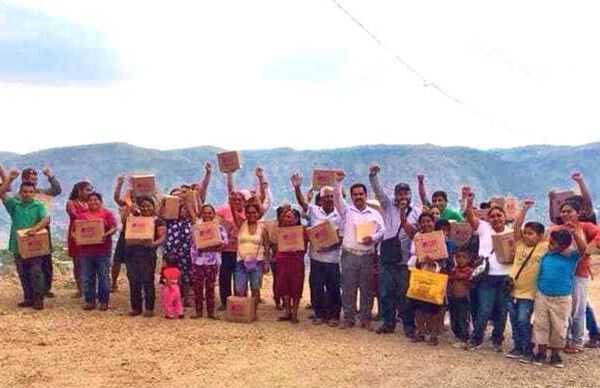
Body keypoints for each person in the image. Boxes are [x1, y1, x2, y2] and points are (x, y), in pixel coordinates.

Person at [368, 165, 420, 335]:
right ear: (396, 195)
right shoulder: (389, 206)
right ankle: (388, 323)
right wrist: (373, 175)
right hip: (388, 257)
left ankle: (408, 326)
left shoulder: (416, 212)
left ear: (410, 195)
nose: (403, 196)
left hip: (405, 260)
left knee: (405, 294)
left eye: (406, 193)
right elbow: (378, 191)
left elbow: (420, 233)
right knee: (385, 293)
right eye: (400, 193)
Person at [528, 228, 588, 368]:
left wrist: (576, 233)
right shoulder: (546, 255)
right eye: (550, 242)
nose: (550, 245)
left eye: (553, 244)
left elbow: (584, 250)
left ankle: (555, 355)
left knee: (559, 327)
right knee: (541, 325)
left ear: (564, 246)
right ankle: (541, 353)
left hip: (562, 298)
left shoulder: (572, 257)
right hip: (542, 295)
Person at [333, 171, 385, 329]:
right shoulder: (347, 211)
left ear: (365, 194)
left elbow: (382, 230)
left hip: (367, 255)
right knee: (348, 287)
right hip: (349, 254)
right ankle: (349, 317)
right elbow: (337, 199)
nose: (358, 197)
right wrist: (338, 182)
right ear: (352, 196)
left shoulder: (375, 214)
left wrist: (374, 238)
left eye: (361, 194)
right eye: (355, 194)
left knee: (366, 288)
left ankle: (365, 318)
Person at [463, 186, 511, 352]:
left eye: (499, 215)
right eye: (492, 216)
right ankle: (476, 338)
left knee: (502, 310)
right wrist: (469, 201)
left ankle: (497, 339)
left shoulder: (511, 233)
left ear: (505, 217)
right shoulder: (483, 228)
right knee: (484, 309)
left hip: (505, 277)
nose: (496, 218)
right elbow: (470, 216)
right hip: (487, 276)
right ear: (488, 218)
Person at [291, 173, 342, 326]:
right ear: (321, 198)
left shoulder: (340, 214)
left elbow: (341, 237)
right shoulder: (314, 211)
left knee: (333, 288)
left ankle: (334, 316)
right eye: (326, 196)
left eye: (331, 196)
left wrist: (328, 246)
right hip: (316, 258)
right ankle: (319, 314)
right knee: (316, 287)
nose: (328, 199)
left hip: (333, 259)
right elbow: (302, 203)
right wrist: (297, 188)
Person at [550, 201, 600, 353]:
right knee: (563, 308)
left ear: (578, 213)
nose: (565, 214)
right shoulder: (557, 229)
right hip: (560, 274)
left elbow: (593, 243)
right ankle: (563, 339)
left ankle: (577, 341)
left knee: (578, 308)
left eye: (569, 211)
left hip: (579, 273)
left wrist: (578, 235)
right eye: (563, 211)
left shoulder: (586, 227)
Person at [0, 173, 49, 309]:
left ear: (34, 193)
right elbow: (1, 193)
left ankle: (38, 299)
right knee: (23, 273)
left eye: (30, 192)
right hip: (17, 245)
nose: (27, 194)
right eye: (25, 192)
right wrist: (9, 178)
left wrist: (34, 229)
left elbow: (45, 219)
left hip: (35, 245)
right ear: (20, 193)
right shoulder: (14, 205)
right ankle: (28, 298)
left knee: (36, 272)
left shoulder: (39, 206)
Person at [505, 199, 547, 360]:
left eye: (531, 233)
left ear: (540, 236)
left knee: (523, 320)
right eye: (526, 233)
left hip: (529, 293)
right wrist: (524, 209)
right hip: (512, 289)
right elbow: (516, 227)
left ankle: (528, 347)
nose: (527, 236)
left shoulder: (544, 248)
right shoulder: (520, 244)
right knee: (514, 320)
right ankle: (518, 346)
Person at [21, 167, 62, 298]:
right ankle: (32, 290)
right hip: (26, 231)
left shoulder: (42, 192)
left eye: (35, 179)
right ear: (24, 179)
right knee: (28, 261)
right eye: (31, 179)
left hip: (44, 229)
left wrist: (50, 176)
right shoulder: (20, 195)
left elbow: (57, 190)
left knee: (46, 259)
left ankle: (46, 288)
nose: (34, 182)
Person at [123, 195, 167, 317]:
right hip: (132, 253)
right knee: (133, 280)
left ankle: (149, 307)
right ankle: (136, 307)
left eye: (148, 206)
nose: (145, 208)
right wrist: (128, 202)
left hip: (148, 254)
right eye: (143, 206)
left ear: (153, 207)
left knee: (148, 280)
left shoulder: (158, 221)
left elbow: (163, 237)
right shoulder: (134, 219)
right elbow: (125, 222)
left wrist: (153, 244)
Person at [74, 192, 117, 311]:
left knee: (103, 277)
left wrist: (106, 234)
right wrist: (77, 237)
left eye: (96, 200)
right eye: (91, 200)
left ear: (100, 201)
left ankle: (104, 301)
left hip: (103, 250)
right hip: (86, 252)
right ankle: (89, 301)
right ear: (87, 202)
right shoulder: (81, 216)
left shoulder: (107, 214)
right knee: (87, 277)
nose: (93, 202)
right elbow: (75, 230)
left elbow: (114, 227)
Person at [231, 200, 270, 313]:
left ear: (258, 214)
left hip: (257, 262)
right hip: (241, 261)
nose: (251, 215)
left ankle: (252, 312)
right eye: (249, 212)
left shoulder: (263, 229)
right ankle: (242, 311)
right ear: (245, 214)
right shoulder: (241, 225)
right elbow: (233, 210)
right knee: (239, 289)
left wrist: (266, 263)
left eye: (254, 212)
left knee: (255, 289)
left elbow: (267, 246)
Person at [190, 204, 228, 319]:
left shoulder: (219, 228)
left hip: (212, 262)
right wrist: (211, 246)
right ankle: (198, 311)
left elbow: (223, 244)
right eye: (205, 213)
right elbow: (195, 244)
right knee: (198, 287)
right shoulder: (197, 227)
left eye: (209, 213)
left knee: (210, 287)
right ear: (202, 214)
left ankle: (211, 312)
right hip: (199, 261)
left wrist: (206, 247)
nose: (207, 215)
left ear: (213, 214)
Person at [273, 207, 308, 324]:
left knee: (296, 286)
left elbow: (305, 246)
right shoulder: (281, 229)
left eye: (289, 217)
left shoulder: (302, 230)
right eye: (285, 217)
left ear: (296, 219)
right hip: (282, 261)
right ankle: (287, 312)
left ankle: (295, 313)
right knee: (284, 286)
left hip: (296, 262)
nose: (286, 219)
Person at [66, 181, 93, 298]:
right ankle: (80, 288)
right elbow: (75, 215)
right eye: (87, 190)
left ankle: (90, 287)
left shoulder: (91, 202)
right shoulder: (71, 203)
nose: (90, 192)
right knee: (77, 263)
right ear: (79, 190)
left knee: (90, 262)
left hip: (90, 234)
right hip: (76, 234)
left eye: (90, 190)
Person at [448, 247, 473, 348]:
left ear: (469, 258)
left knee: (463, 318)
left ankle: (464, 337)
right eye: (458, 257)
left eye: (463, 257)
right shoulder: (454, 269)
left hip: (464, 298)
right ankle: (457, 335)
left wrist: (455, 275)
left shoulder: (469, 270)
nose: (460, 259)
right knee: (454, 317)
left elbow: (464, 277)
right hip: (453, 298)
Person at [161, 255, 184, 319]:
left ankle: (170, 314)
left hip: (169, 287)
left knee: (168, 302)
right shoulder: (177, 270)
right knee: (177, 301)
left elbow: (168, 279)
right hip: (176, 287)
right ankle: (180, 313)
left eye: (164, 262)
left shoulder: (165, 271)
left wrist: (168, 286)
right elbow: (179, 279)